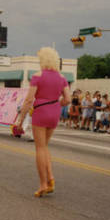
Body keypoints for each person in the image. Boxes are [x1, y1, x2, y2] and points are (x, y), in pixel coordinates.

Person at [17, 47, 71, 197]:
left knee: (40, 148)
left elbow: (28, 100)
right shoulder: (62, 78)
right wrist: (55, 105)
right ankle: (50, 178)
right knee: (45, 146)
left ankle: (43, 184)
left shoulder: (37, 76)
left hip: (40, 112)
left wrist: (21, 119)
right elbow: (68, 99)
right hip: (54, 113)